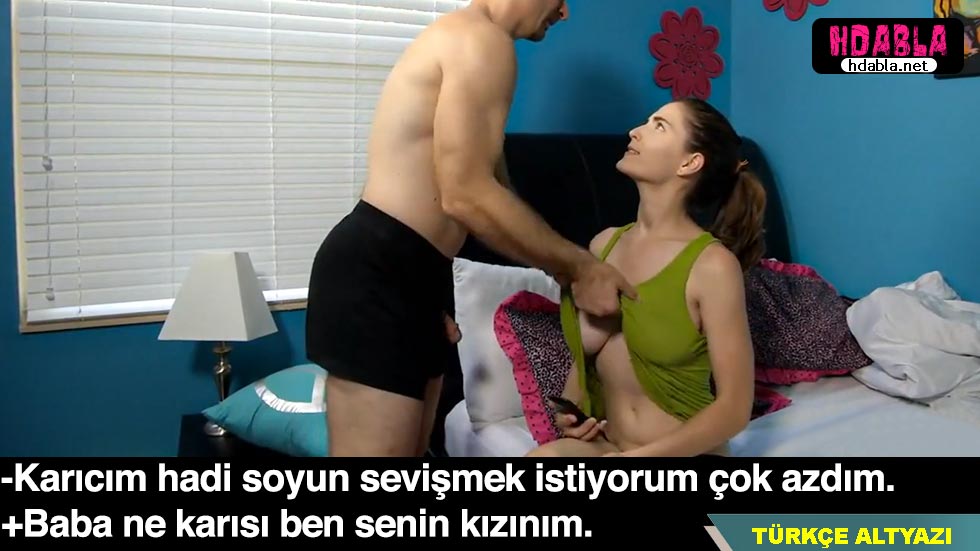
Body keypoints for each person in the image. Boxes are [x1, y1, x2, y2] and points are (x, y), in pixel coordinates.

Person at [304, 0, 637, 457]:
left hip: (414, 270)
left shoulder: (473, 39)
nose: (564, 13)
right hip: (380, 266)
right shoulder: (480, 38)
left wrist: (435, 289)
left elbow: (492, 195)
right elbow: (465, 194)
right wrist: (581, 267)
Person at [526, 97, 765, 458]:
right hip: (611, 446)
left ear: (689, 162)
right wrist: (571, 412)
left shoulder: (712, 265)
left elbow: (734, 409)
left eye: (659, 126)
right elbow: (587, 360)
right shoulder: (603, 246)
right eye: (646, 122)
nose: (635, 132)